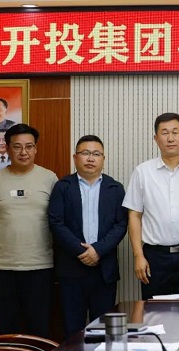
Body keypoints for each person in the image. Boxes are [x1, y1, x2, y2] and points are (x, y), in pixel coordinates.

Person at [0, 123, 58, 338]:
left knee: (39, 329)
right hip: (3, 267)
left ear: (36, 148)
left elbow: (59, 219)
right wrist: (1, 239)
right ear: (7, 148)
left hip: (40, 266)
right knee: (5, 329)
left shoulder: (50, 179)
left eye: (29, 146)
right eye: (17, 147)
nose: (24, 152)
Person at [123, 112, 179, 300]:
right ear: (156, 138)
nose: (170, 138)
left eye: (175, 132)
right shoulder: (142, 172)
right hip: (155, 257)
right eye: (164, 133)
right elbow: (134, 215)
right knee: (155, 310)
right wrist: (138, 256)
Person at [48, 135, 128, 337]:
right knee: (72, 328)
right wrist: (81, 251)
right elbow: (56, 222)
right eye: (85, 153)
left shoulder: (115, 188)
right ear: (75, 157)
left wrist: (98, 251)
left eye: (96, 154)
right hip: (71, 268)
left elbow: (121, 224)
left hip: (104, 269)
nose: (91, 158)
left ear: (103, 159)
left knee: (104, 329)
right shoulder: (63, 186)